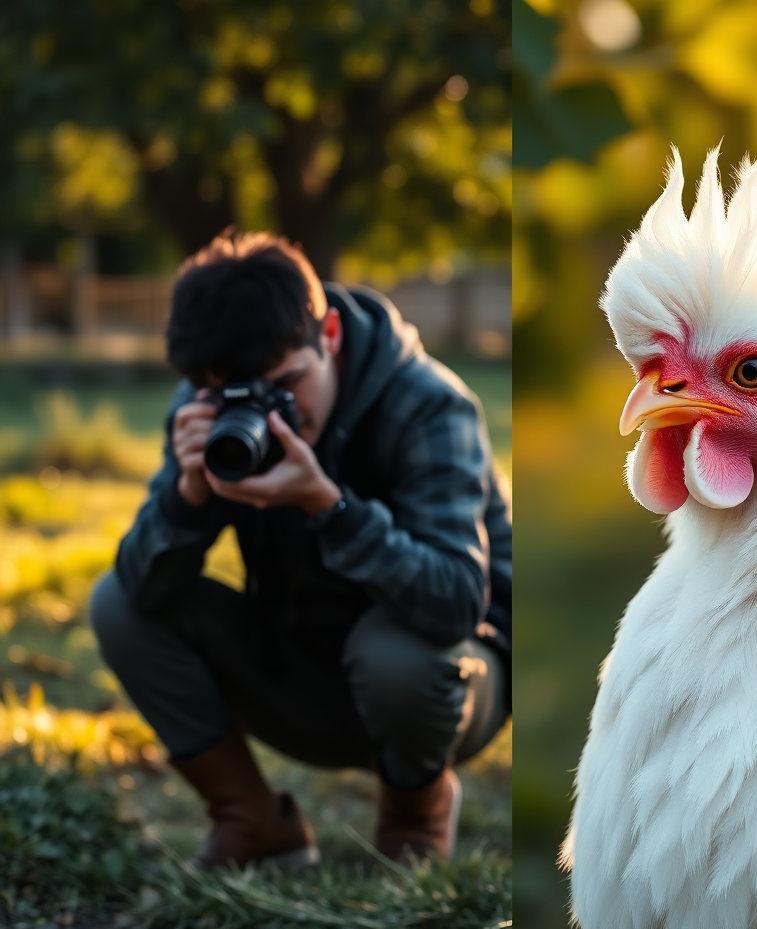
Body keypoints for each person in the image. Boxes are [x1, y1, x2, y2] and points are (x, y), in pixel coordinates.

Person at [90, 230, 511, 869]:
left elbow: (454, 603)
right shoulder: (208, 407)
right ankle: (254, 826)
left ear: (331, 336)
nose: (272, 415)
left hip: (446, 683)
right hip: (303, 673)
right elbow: (144, 591)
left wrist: (328, 506)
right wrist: (188, 494)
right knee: (117, 602)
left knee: (396, 651)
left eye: (288, 384)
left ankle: (414, 818)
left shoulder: (429, 405)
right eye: (241, 394)